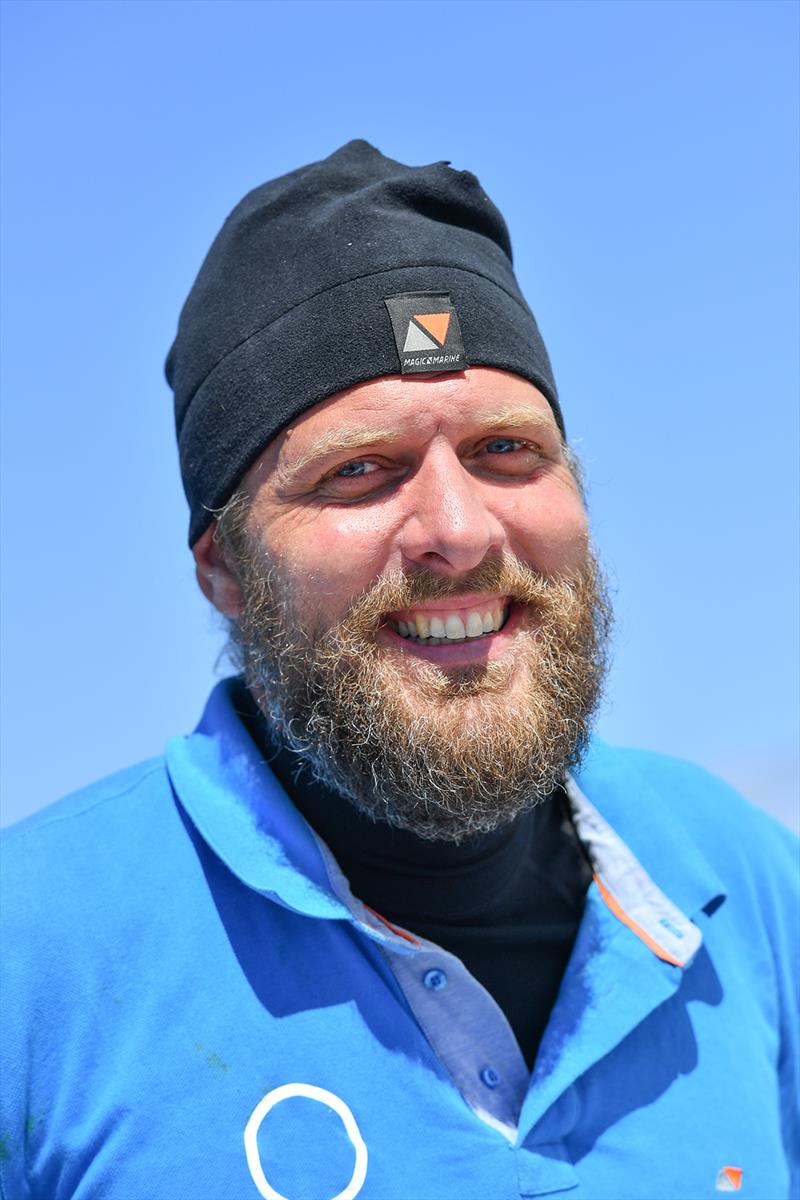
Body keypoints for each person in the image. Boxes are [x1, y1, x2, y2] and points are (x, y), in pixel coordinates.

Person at [2, 140, 797, 1200]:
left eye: (506, 451)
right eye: (360, 472)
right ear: (224, 570)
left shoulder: (735, 879)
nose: (458, 531)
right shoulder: (37, 959)